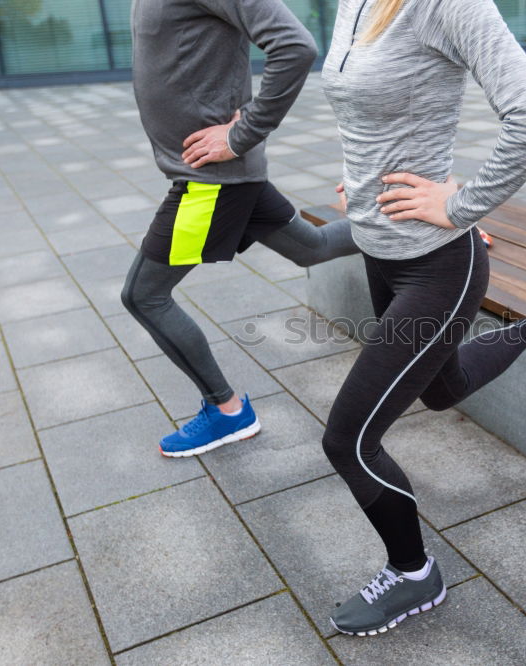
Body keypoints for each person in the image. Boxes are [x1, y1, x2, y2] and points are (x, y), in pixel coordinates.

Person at [319, 0, 526, 636]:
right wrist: (360, 182)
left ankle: (414, 575)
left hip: (438, 267)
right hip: (382, 251)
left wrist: (463, 207)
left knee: (347, 440)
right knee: (443, 391)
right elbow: (369, 112)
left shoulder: (446, 5)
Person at [122, 0, 358, 457]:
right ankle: (423, 230)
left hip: (210, 183)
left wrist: (241, 134)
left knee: (144, 295)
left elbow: (295, 47)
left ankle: (229, 412)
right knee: (311, 247)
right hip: (219, 177)